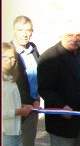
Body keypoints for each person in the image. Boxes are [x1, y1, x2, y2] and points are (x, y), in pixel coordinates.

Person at [38, 26, 80, 146]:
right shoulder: (49, 57)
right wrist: (60, 106)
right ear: (61, 35)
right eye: (70, 35)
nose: (75, 39)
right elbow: (45, 89)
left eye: (79, 35)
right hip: (63, 120)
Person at [12, 16, 40, 146]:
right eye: (20, 30)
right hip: (15, 108)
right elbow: (10, 83)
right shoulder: (7, 52)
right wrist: (30, 101)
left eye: (28, 30)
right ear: (13, 31)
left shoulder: (33, 49)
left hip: (33, 109)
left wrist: (37, 99)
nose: (24, 34)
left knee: (28, 142)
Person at [2, 42, 33, 146]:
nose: (9, 61)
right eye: (5, 57)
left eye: (12, 57)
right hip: (4, 134)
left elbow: (9, 103)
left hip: (15, 132)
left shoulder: (10, 79)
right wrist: (19, 111)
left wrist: (22, 106)